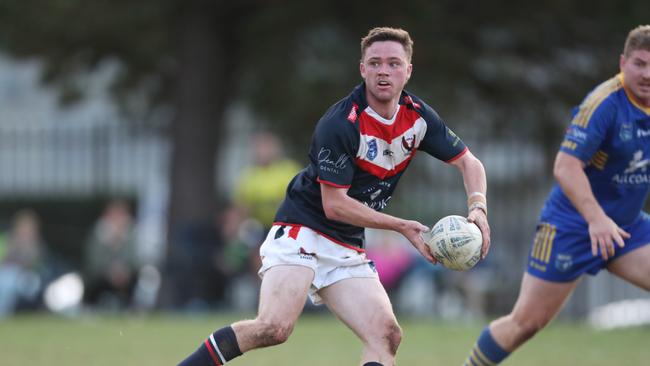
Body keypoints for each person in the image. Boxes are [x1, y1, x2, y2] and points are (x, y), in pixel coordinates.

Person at [178, 26, 490, 366]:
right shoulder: (341, 122)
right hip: (303, 229)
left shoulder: (418, 117)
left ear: (408, 70)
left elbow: (469, 163)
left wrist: (479, 209)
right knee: (274, 327)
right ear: (362, 69)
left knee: (386, 335)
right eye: (374, 63)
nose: (383, 71)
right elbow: (334, 204)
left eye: (393, 63)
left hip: (346, 244)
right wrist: (401, 226)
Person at [463, 25, 650, 366]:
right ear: (623, 63)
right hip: (572, 226)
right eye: (640, 63)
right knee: (525, 324)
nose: (647, 74)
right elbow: (565, 167)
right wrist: (595, 219)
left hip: (626, 227)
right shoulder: (604, 104)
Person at [82, 199, 140, 310]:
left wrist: (123, 270)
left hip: (125, 276)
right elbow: (93, 261)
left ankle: (132, 308)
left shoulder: (131, 234)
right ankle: (91, 307)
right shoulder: (98, 234)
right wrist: (110, 271)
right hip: (102, 276)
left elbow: (134, 259)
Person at [0, 209, 48, 316]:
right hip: (7, 275)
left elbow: (38, 265)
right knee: (6, 280)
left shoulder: (37, 245)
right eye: (23, 227)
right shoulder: (6, 240)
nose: (26, 231)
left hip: (27, 277)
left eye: (29, 228)